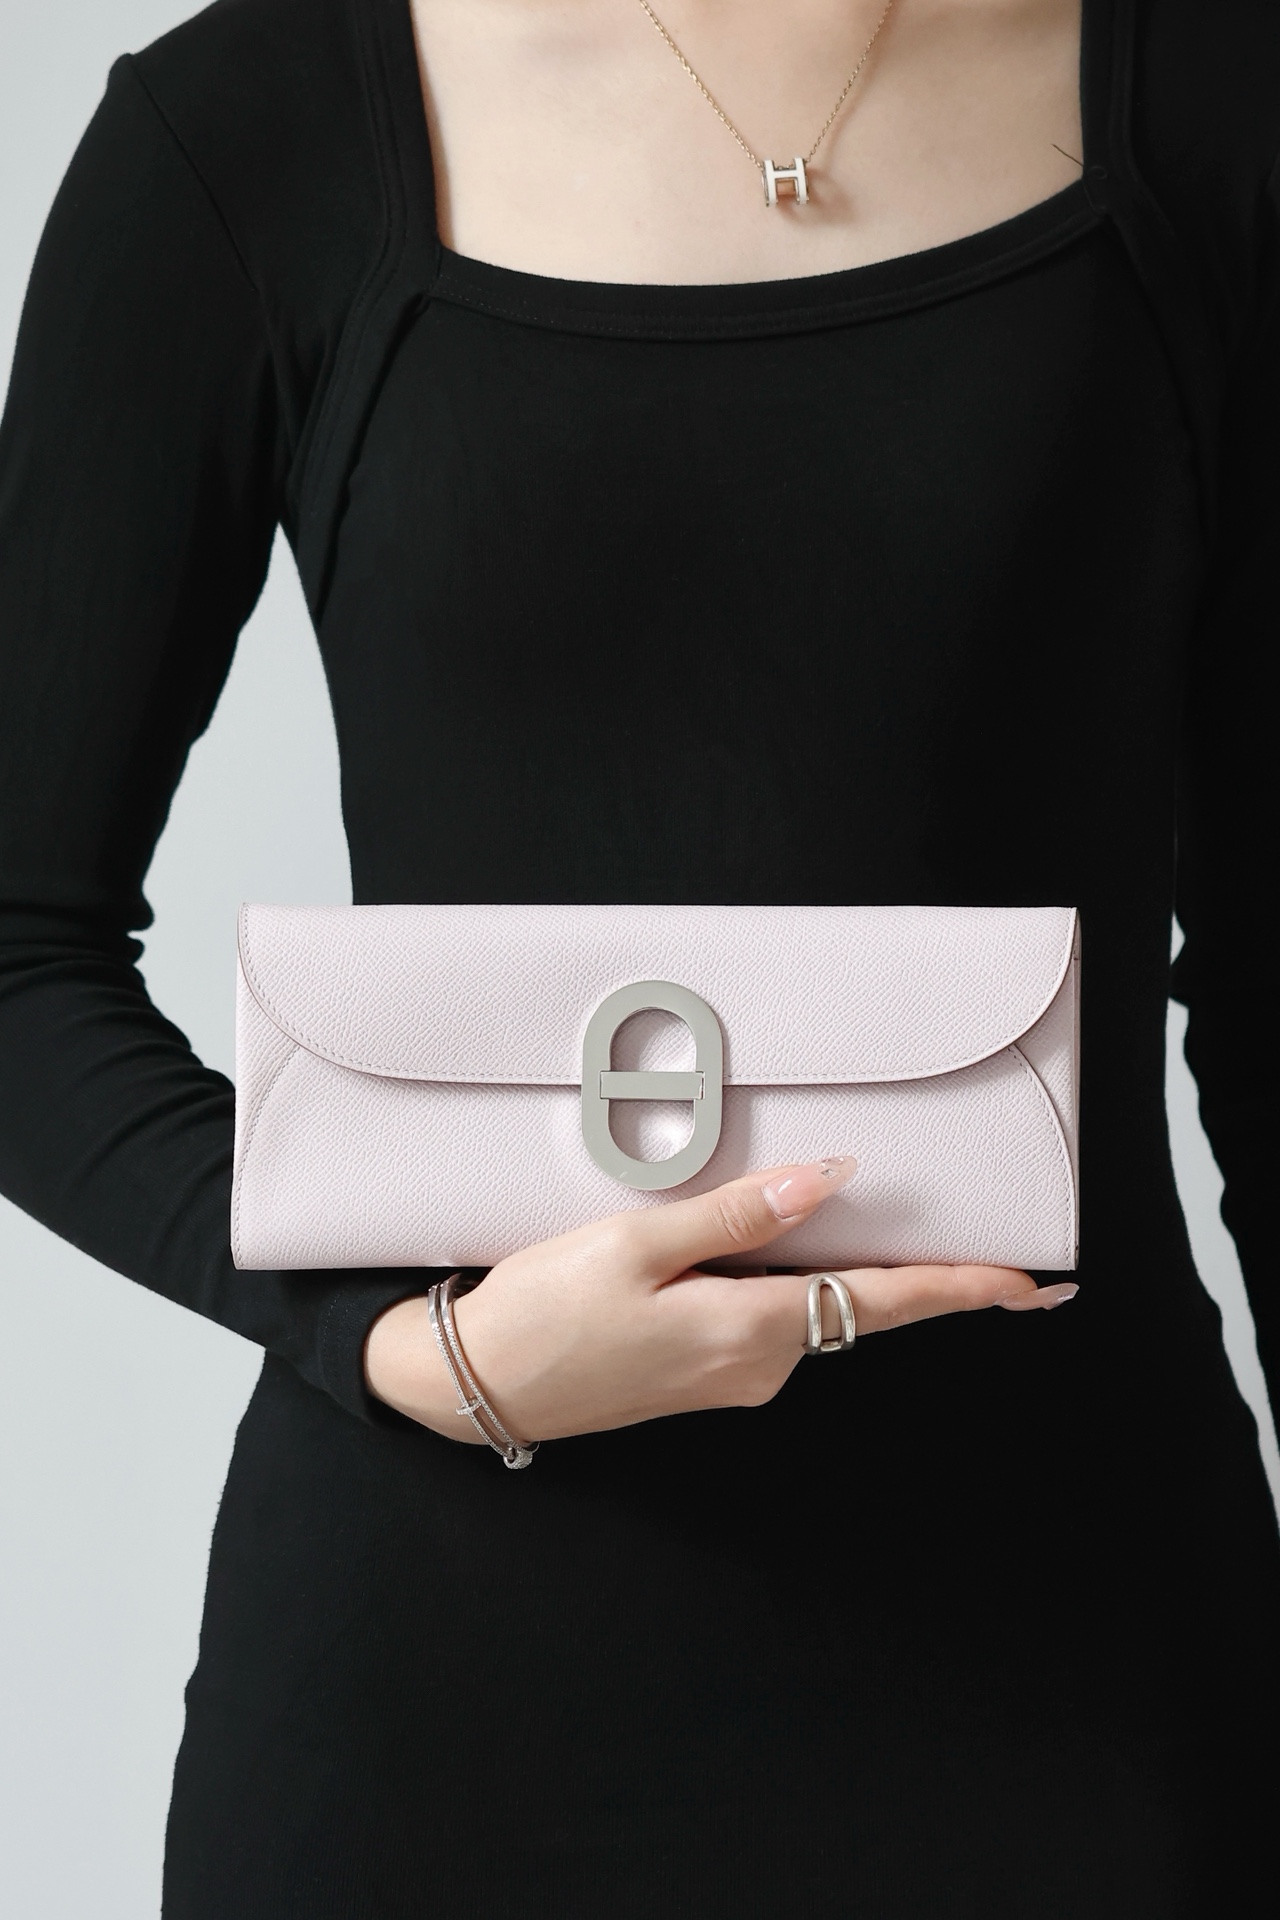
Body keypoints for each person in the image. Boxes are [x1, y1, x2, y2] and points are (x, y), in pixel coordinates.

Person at [0, 0, 1276, 1912]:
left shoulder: (1226, 101)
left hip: (1086, 1673)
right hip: (428, 1702)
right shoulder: (241, 131)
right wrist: (411, 1349)